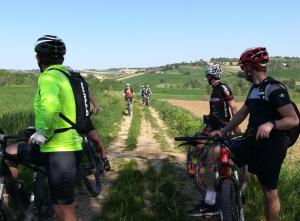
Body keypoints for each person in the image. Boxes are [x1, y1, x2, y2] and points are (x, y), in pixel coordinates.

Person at [190, 47, 299, 220]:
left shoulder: (274, 89)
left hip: (272, 146)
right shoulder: (254, 89)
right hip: (252, 139)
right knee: (213, 153)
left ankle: (236, 195)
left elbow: (293, 119)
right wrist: (223, 131)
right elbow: (241, 113)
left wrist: (272, 124)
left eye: (243, 67)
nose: (243, 71)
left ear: (250, 67)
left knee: (269, 192)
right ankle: (213, 201)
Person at [6, 35, 81, 221]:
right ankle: (15, 198)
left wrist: (43, 133)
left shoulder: (48, 77)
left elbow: (50, 108)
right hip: (70, 147)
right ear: (62, 59)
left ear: (37, 58)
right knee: (10, 151)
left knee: (65, 209)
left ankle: (11, 197)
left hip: (59, 151)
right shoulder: (69, 77)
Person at [187, 64, 241, 177]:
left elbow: (233, 107)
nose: (207, 78)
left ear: (210, 76)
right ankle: (193, 163)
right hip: (212, 124)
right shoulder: (214, 90)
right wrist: (209, 116)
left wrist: (236, 127)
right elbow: (217, 108)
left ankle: (224, 178)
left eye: (208, 76)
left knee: (224, 151)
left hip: (224, 125)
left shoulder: (223, 87)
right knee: (200, 144)